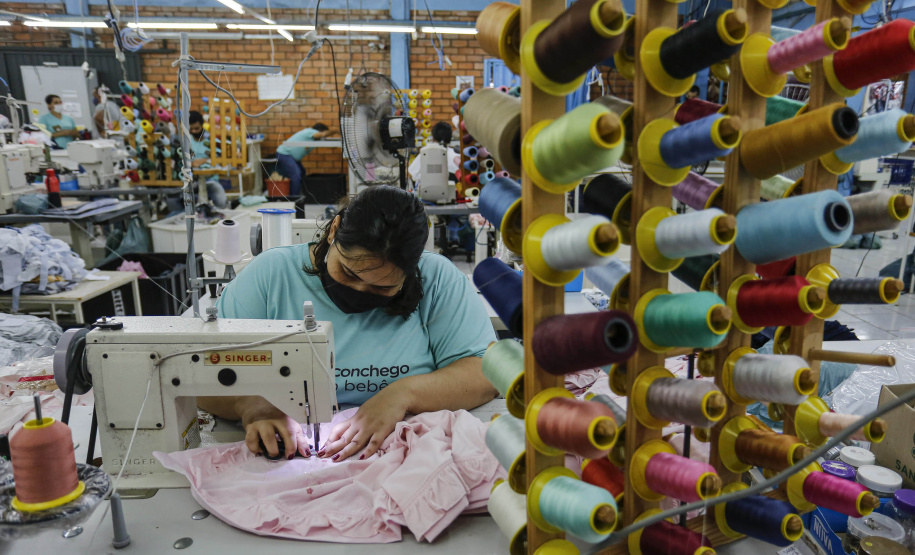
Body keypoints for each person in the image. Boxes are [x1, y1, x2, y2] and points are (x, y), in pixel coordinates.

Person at [206, 186, 498, 461]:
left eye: (382, 287)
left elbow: (484, 374)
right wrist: (252, 405)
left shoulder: (437, 279)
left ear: (413, 269)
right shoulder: (270, 277)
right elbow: (203, 374)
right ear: (334, 231)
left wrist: (402, 395)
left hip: (410, 452)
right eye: (348, 273)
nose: (359, 290)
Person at [165, 110, 227, 212]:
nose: (193, 131)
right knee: (173, 200)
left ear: (202, 125)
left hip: (210, 181)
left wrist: (206, 160)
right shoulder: (185, 141)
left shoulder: (212, 140)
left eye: (196, 128)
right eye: (191, 129)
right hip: (190, 182)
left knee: (221, 202)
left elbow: (222, 158)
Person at [275, 123, 338, 197]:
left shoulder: (313, 140)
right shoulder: (309, 131)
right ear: (319, 131)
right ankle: (294, 198)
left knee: (302, 172)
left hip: (291, 157)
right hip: (284, 154)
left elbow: (330, 146)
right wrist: (335, 130)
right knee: (296, 174)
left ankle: (300, 193)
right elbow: (322, 135)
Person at [408, 121, 460, 189]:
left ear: (433, 137)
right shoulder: (455, 156)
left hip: (426, 194)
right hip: (452, 194)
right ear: (450, 138)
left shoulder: (425, 153)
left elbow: (410, 174)